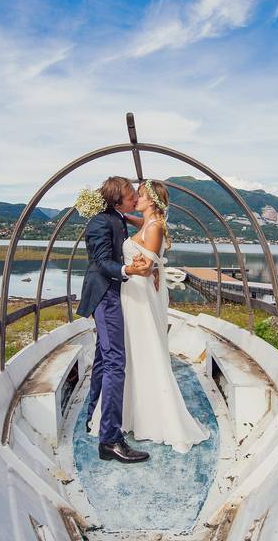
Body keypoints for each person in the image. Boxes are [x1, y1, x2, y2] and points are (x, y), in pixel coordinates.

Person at [87, 179, 210, 453]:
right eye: (133, 195)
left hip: (138, 297)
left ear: (151, 200)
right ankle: (122, 415)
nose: (136, 198)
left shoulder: (153, 227)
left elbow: (147, 265)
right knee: (126, 355)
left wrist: (145, 268)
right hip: (129, 296)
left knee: (140, 354)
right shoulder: (143, 223)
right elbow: (132, 225)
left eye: (139, 194)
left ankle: (146, 417)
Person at [77, 176, 154, 463]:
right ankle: (109, 440)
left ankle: (93, 417)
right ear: (117, 198)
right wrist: (130, 271)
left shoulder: (118, 217)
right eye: (131, 193)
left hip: (113, 294)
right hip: (106, 296)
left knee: (102, 359)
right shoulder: (100, 222)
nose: (135, 196)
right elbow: (101, 263)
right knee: (115, 364)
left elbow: (139, 224)